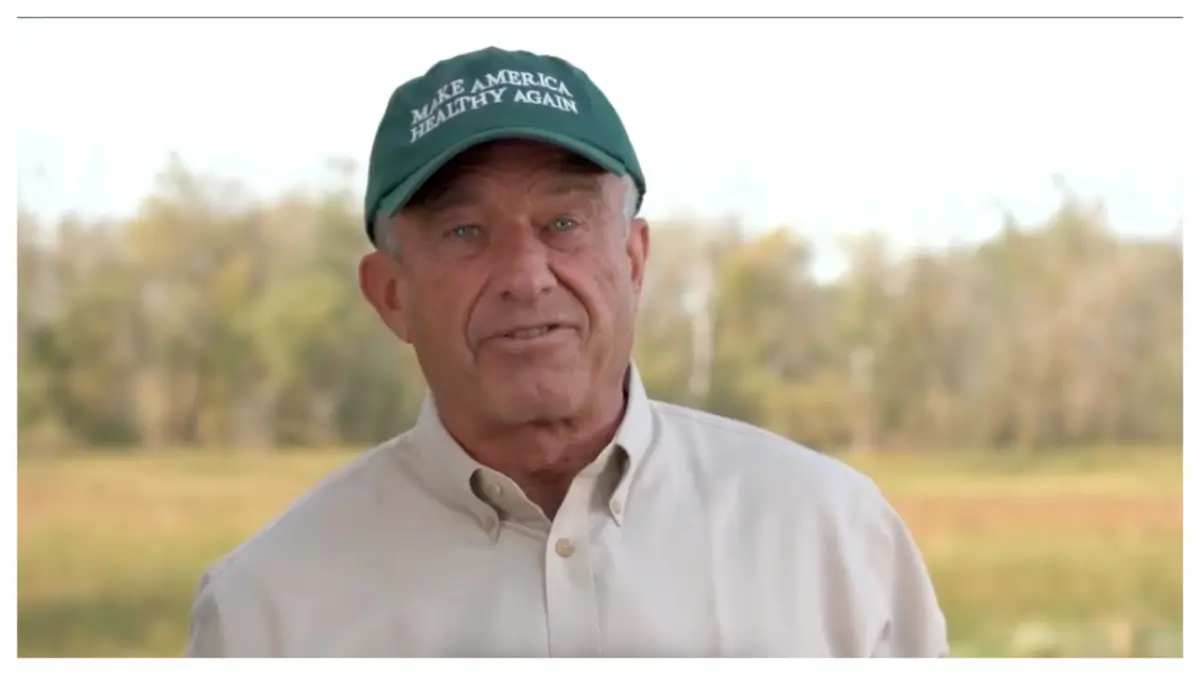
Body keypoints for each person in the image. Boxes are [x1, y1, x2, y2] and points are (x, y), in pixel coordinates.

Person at [186, 46, 948, 658]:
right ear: (391, 294)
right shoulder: (269, 609)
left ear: (636, 258)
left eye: (564, 222)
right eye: (464, 231)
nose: (525, 274)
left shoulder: (832, 539)